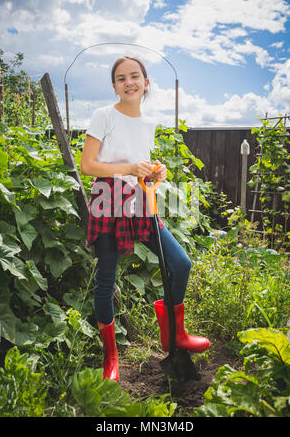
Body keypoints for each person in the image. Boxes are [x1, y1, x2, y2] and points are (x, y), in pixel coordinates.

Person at [80, 56, 210, 383]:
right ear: (114, 86)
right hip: (107, 201)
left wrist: (155, 172)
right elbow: (88, 166)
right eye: (121, 78)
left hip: (139, 199)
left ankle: (174, 335)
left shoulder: (148, 123)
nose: (129, 82)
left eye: (135, 76)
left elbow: (140, 165)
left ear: (146, 83)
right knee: (106, 281)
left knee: (180, 263)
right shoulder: (103, 116)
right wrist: (129, 169)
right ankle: (111, 358)